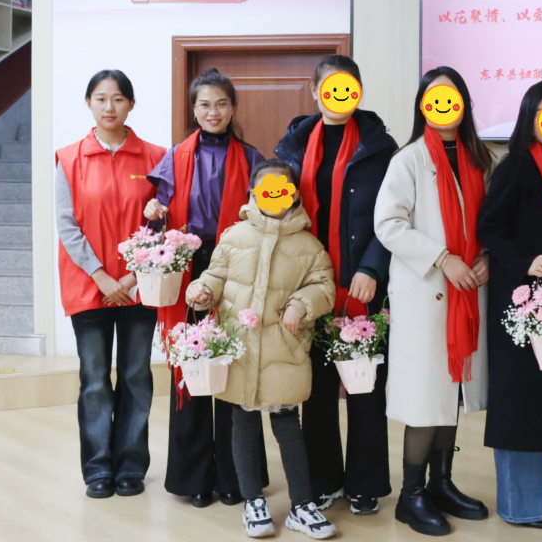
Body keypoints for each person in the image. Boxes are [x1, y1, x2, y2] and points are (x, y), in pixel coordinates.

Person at [184, 158, 339, 540]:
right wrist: (202, 291)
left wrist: (301, 304)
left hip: (284, 350)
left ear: (293, 195)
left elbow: (324, 286)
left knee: (288, 424)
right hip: (241, 347)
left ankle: (302, 504)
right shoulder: (234, 237)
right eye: (265, 189)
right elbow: (216, 276)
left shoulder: (309, 246)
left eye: (281, 189)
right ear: (253, 194)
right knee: (242, 422)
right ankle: (253, 499)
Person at [274, 54, 398, 514]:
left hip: (362, 283)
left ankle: (365, 482)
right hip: (309, 285)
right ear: (314, 91)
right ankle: (323, 479)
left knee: (365, 387)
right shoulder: (291, 146)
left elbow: (393, 216)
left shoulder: (380, 146)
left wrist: (372, 268)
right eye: (330, 86)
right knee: (318, 389)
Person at [375, 67, 495, 536]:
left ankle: (441, 484)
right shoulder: (407, 159)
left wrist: (485, 258)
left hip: (468, 291)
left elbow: (493, 221)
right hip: (426, 294)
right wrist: (443, 258)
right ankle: (411, 495)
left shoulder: (482, 159)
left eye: (452, 98)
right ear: (423, 105)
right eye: (435, 98)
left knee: (452, 391)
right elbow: (389, 224)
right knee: (426, 395)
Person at [145, 67, 268, 508]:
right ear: (193, 110)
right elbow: (157, 218)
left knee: (235, 370)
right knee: (192, 369)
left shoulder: (252, 159)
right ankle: (194, 477)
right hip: (189, 270)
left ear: (233, 108)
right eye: (204, 104)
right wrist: (153, 211)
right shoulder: (174, 157)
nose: (212, 112)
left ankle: (237, 476)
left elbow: (267, 216)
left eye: (221, 104)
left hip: (235, 268)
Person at [477, 81, 542, 529]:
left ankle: (538, 498)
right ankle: (520, 506)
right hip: (518, 303)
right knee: (519, 403)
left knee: (541, 402)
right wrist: (526, 261)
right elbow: (489, 227)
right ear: (530, 118)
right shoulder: (517, 164)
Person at [56, 70, 166, 499]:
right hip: (89, 287)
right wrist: (101, 275)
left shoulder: (156, 157)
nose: (109, 107)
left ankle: (131, 468)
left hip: (140, 287)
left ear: (131, 105)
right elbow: (67, 226)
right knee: (95, 379)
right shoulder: (69, 158)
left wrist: (133, 276)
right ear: (88, 103)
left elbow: (162, 224)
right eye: (100, 98)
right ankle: (98, 469)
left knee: (136, 376)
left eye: (118, 99)